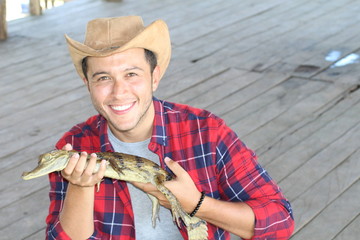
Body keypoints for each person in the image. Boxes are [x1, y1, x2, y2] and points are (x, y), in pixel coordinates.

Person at [45, 16, 294, 240]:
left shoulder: (206, 131)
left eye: (132, 74)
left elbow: (280, 222)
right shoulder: (74, 146)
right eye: (103, 78)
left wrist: (196, 204)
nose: (119, 92)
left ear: (154, 77)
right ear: (86, 83)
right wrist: (80, 186)